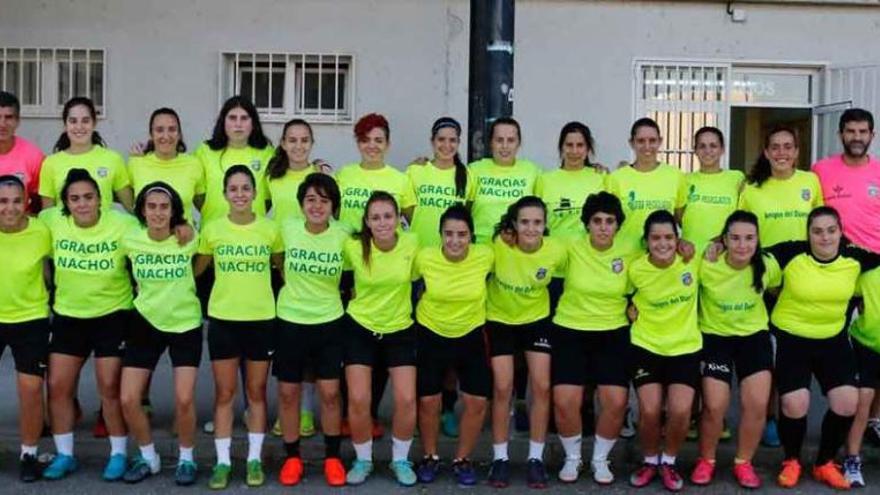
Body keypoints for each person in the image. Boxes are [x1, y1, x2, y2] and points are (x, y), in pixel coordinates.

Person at [766, 206, 880, 490]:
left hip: (833, 339)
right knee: (796, 403)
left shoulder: (856, 258)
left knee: (847, 402)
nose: (825, 237)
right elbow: (755, 255)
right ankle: (791, 460)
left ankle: (824, 463)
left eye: (831, 231)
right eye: (817, 231)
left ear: (841, 233)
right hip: (792, 337)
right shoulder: (791, 253)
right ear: (808, 234)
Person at [40, 169, 138, 481]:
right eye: (74, 199)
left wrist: (182, 230)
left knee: (108, 388)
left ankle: (119, 452)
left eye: (88, 197)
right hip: (69, 316)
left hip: (112, 315)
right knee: (57, 387)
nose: (82, 204)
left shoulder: (122, 223)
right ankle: (65, 454)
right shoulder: (50, 221)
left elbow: (155, 240)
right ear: (65, 203)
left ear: (100, 199)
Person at [194, 165, 283, 489]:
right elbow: (196, 270)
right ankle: (222, 462)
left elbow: (284, 272)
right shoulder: (213, 230)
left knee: (256, 392)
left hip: (261, 320)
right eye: (234, 189)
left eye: (246, 188)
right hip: (223, 321)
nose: (240, 194)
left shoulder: (270, 230)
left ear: (256, 194)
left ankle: (255, 459)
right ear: (225, 194)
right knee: (225, 394)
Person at [118, 183, 202, 485]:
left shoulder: (189, 239)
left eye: (164, 207)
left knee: (183, 399)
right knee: (128, 398)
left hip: (185, 323)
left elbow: (202, 262)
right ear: (142, 210)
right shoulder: (130, 240)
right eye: (151, 206)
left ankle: (187, 459)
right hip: (145, 322)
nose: (157, 212)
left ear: (174, 212)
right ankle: (148, 457)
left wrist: (186, 227)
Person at [689, 211, 780, 489]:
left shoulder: (768, 265)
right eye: (736, 238)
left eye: (749, 238)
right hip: (716, 338)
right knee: (715, 406)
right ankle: (706, 460)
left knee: (756, 404)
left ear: (758, 239)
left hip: (753, 338)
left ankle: (743, 462)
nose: (743, 245)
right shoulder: (707, 263)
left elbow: (777, 290)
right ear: (724, 240)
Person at [551, 192, 636, 485]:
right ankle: (572, 458)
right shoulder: (569, 248)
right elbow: (535, 251)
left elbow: (655, 272)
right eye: (597, 221)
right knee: (565, 401)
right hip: (570, 329)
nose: (603, 227)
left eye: (609, 221)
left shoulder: (631, 251)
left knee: (615, 400)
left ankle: (600, 460)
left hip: (613, 331)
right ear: (587, 224)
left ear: (617, 225)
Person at [485, 196, 566, 489]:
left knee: (542, 386)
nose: (531, 228)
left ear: (545, 225)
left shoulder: (556, 251)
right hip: (500, 320)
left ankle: (535, 458)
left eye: (537, 222)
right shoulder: (499, 244)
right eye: (524, 222)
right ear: (514, 224)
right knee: (503, 387)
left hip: (536, 321)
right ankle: (500, 459)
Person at [273, 173, 347, 487]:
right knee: (289, 394)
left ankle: (332, 457)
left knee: (330, 393)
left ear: (334, 206)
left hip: (329, 321)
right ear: (301, 204)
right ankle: (292, 457)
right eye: (311, 200)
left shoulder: (345, 234)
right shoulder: (286, 229)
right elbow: (277, 259)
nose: (317, 206)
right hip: (290, 320)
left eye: (324, 200)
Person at [341, 192, 420, 486]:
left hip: (399, 329)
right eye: (375, 217)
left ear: (398, 218)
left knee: (406, 398)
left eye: (388, 216)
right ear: (367, 221)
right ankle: (363, 460)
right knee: (360, 399)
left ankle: (400, 459)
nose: (383, 222)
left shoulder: (411, 244)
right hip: (360, 328)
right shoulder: (352, 247)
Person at [412, 204, 493, 486]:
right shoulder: (425, 258)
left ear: (471, 235)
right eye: (449, 234)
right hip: (431, 333)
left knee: (476, 401)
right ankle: (430, 456)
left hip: (471, 334)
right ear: (440, 235)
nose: (455, 241)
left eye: (462, 234)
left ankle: (462, 459)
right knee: (428, 400)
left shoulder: (486, 255)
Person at [627, 209, 701, 493]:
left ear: (678, 239)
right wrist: (626, 309)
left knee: (681, 411)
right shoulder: (636, 269)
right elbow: (619, 295)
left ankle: (668, 461)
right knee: (649, 409)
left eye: (669, 237)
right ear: (646, 241)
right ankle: (649, 460)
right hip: (646, 346)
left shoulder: (692, 262)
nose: (663, 244)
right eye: (656, 238)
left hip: (685, 347)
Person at [0, 174, 51, 481]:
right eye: (3, 201)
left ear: (27, 203)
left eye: (16, 201)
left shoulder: (42, 232)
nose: (10, 208)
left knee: (31, 391)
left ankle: (29, 454)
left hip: (30, 319)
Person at [606, 118, 687, 254]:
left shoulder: (676, 176)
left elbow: (681, 221)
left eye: (652, 140)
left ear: (660, 141)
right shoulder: (616, 178)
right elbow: (608, 222)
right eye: (641, 141)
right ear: (631, 143)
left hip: (662, 259)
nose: (647, 146)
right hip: (625, 256)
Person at [39, 97, 133, 211]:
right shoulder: (50, 163)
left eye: (85, 121)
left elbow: (131, 208)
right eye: (73, 121)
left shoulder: (113, 159)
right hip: (63, 229)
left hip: (105, 229)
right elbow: (47, 215)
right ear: (65, 125)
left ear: (94, 123)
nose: (79, 127)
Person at [194, 95, 274, 225]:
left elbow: (268, 199)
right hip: (214, 230)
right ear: (223, 121)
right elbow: (198, 196)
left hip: (255, 232)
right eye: (232, 118)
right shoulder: (205, 151)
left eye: (244, 118)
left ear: (253, 122)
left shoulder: (267, 152)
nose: (238, 124)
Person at [738, 126, 823, 247]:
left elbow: (820, 223)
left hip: (803, 262)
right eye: (775, 147)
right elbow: (740, 228)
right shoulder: (751, 187)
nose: (781, 152)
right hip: (766, 261)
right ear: (766, 153)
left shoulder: (810, 180)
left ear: (796, 152)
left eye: (787, 147)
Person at [813, 108, 880, 253]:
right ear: (840, 134)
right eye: (850, 131)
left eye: (863, 132)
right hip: (835, 261)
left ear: (872, 135)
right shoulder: (820, 170)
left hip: (875, 260)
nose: (857, 137)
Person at [335, 113, 414, 233]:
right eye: (365, 140)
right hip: (350, 248)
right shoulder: (343, 174)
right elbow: (334, 215)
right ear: (358, 144)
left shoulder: (402, 180)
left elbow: (412, 221)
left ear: (387, 144)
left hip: (387, 250)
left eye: (378, 141)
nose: (372, 146)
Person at [468, 117, 542, 243]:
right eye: (499, 140)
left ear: (519, 143)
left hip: (518, 248)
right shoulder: (474, 170)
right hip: (481, 246)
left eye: (511, 140)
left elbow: (540, 213)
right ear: (491, 142)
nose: (505, 146)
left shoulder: (532, 171)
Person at [404, 117, 472, 247]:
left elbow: (468, 212)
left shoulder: (469, 176)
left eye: (452, 140)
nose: (447, 145)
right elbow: (408, 211)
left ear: (458, 142)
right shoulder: (415, 171)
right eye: (441, 139)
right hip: (421, 249)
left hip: (454, 252)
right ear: (432, 141)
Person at [128, 108, 205, 221]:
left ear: (179, 134)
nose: (166, 135)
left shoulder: (193, 164)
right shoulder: (136, 163)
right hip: (145, 237)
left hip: (183, 236)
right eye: (159, 130)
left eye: (172, 129)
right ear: (151, 134)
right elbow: (128, 200)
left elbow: (202, 205)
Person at [536, 121, 606, 242]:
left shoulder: (601, 177)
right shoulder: (544, 180)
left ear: (588, 149)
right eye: (569, 145)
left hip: (588, 255)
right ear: (561, 147)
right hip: (555, 253)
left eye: (580, 145)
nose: (574, 151)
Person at [680, 127, 744, 251]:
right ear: (695, 150)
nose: (707, 151)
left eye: (713, 146)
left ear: (722, 149)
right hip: (691, 254)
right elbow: (679, 216)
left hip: (726, 254)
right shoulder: (684, 180)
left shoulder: (737, 178)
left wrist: (722, 240)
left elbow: (741, 218)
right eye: (702, 146)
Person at [846, 263, 880, 487]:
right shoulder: (868, 274)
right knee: (863, 400)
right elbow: (848, 293)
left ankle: (875, 422)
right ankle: (852, 458)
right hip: (865, 345)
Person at [266, 118, 322, 223]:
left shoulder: (322, 175)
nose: (299, 146)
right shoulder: (272, 177)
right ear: (283, 144)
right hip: (280, 239)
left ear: (312, 143)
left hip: (312, 239)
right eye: (292, 140)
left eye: (304, 140)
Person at [0, 92, 44, 212]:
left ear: (18, 121)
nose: (2, 124)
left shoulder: (34, 156)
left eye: (8, 117)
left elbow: (38, 202)